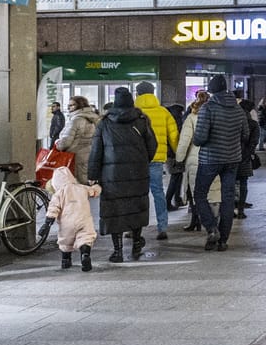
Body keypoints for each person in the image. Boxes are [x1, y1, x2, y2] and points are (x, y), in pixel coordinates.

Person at [87, 86, 157, 263]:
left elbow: (96, 151)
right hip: (137, 172)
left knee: (114, 210)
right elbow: (152, 146)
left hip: (111, 174)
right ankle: (136, 244)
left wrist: (93, 174)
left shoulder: (104, 123)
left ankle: (117, 251)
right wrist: (142, 160)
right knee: (136, 206)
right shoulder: (141, 120)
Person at [192, 75, 250, 252]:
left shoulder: (208, 108)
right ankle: (223, 240)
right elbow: (245, 134)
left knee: (200, 194)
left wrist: (197, 139)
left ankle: (211, 228)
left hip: (210, 159)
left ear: (211, 90)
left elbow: (200, 138)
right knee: (228, 199)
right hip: (232, 159)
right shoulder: (238, 109)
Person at [133, 81, 178, 241]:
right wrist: (178, 155)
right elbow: (173, 136)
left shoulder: (133, 112)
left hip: (136, 160)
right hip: (157, 159)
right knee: (158, 192)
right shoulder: (163, 111)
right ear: (153, 93)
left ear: (137, 94)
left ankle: (134, 228)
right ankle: (162, 227)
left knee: (137, 193)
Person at [42, 165, 99, 272]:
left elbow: (53, 208)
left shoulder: (58, 194)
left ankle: (66, 260)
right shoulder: (82, 188)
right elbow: (94, 191)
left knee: (65, 242)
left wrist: (47, 222)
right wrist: (96, 185)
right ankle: (85, 255)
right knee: (86, 238)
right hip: (84, 221)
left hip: (67, 224)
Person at [175, 95, 218, 233]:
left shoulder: (192, 118)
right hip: (214, 157)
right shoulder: (216, 117)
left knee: (195, 193)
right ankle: (212, 223)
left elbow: (184, 141)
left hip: (194, 160)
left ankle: (198, 221)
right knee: (213, 192)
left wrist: (179, 158)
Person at [56, 95, 100, 184]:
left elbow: (65, 142)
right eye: (68, 105)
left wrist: (58, 143)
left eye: (72, 105)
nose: (69, 107)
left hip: (75, 157)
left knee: (77, 185)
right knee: (85, 182)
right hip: (89, 155)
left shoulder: (75, 120)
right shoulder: (93, 119)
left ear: (80, 106)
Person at [234, 98, 261, 220]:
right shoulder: (253, 124)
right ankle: (240, 210)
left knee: (230, 183)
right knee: (243, 183)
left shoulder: (233, 121)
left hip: (231, 155)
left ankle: (230, 208)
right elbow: (253, 142)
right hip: (245, 157)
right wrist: (248, 153)